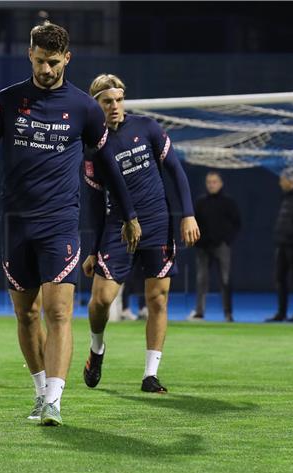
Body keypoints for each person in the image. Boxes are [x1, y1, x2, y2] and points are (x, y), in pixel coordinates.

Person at [0, 23, 141, 426]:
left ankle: (54, 400)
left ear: (67, 58)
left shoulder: (85, 108)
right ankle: (39, 392)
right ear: (29, 55)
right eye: (40, 61)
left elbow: (106, 163)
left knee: (58, 312)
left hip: (60, 223)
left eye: (54, 62)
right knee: (26, 315)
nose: (47, 69)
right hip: (16, 224)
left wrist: (129, 215)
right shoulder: (8, 100)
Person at [81, 74, 200, 394]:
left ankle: (150, 374)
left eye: (119, 100)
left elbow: (175, 170)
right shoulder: (91, 146)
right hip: (116, 230)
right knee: (101, 300)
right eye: (108, 101)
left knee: (157, 298)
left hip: (157, 224)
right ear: (96, 105)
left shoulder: (147, 127)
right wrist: (92, 249)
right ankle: (96, 349)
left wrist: (187, 214)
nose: (115, 106)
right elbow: (93, 201)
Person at [188, 171, 240, 322]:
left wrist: (226, 240)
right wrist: (198, 241)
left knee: (225, 279)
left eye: (214, 182)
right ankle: (199, 312)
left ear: (221, 183)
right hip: (203, 248)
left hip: (221, 246)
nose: (211, 185)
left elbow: (237, 224)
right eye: (209, 182)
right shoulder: (200, 202)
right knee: (201, 280)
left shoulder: (229, 202)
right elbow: (193, 223)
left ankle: (228, 314)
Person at [266, 170, 293, 322]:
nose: (280, 182)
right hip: (282, 244)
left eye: (282, 179)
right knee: (280, 278)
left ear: (291, 181)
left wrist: (289, 235)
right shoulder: (287, 197)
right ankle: (281, 313)